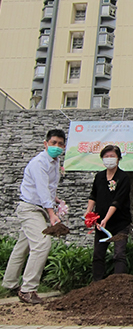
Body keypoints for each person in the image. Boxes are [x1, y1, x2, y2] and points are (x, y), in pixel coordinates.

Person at [1, 129, 66, 304]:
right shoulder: (39, 162)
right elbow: (42, 189)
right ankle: (28, 289)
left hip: (38, 208)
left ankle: (9, 283)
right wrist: (52, 214)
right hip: (30, 208)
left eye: (60, 144)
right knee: (42, 244)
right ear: (45, 144)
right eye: (53, 143)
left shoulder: (54, 162)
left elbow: (48, 188)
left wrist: (57, 201)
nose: (57, 147)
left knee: (23, 246)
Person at [84, 145, 132, 281]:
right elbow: (93, 196)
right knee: (98, 254)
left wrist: (106, 218)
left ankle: (118, 284)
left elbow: (117, 201)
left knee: (119, 254)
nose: (109, 159)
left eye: (112, 156)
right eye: (106, 156)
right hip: (100, 223)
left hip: (120, 222)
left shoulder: (123, 177)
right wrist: (88, 213)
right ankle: (97, 283)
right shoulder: (99, 176)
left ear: (118, 159)